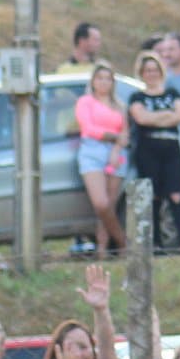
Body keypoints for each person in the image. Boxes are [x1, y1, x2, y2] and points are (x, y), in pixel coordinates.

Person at [128, 51, 180, 243]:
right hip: (148, 149)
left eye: (155, 70)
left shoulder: (171, 93)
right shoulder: (137, 97)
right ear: (141, 73)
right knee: (153, 196)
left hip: (171, 148)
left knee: (176, 194)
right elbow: (141, 118)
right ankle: (155, 242)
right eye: (147, 70)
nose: (151, 74)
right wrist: (167, 115)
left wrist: (154, 117)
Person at [75, 66, 130, 254]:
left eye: (108, 78)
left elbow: (124, 133)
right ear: (93, 81)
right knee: (101, 203)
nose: (104, 82)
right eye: (100, 78)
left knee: (110, 205)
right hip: (92, 151)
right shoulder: (85, 102)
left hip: (115, 154)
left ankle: (103, 248)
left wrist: (116, 149)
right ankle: (122, 241)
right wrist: (112, 136)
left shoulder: (119, 106)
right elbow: (88, 128)